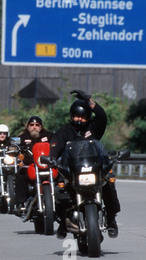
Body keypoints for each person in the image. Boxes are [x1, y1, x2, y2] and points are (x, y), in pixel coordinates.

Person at [50, 89, 121, 239]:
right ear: (71, 115)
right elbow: (55, 147)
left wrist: (89, 101)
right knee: (60, 189)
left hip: (94, 169)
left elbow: (102, 116)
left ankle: (111, 220)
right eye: (76, 116)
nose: (79, 119)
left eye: (83, 117)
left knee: (108, 185)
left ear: (88, 117)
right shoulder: (63, 132)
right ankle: (63, 223)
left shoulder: (93, 128)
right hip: (73, 171)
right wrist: (52, 158)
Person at [13, 116, 54, 216]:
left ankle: (65, 201)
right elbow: (14, 146)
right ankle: (20, 204)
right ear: (28, 126)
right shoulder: (22, 137)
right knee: (20, 174)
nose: (34, 127)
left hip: (47, 166)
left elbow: (58, 143)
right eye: (32, 125)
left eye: (37, 125)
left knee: (62, 174)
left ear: (41, 126)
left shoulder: (49, 135)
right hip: (30, 166)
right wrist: (13, 148)